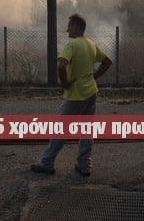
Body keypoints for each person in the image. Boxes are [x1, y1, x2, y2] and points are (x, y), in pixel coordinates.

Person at [30, 13, 112, 177]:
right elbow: (107, 62)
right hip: (91, 92)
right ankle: (84, 166)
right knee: (87, 131)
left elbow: (61, 66)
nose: (67, 28)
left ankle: (47, 163)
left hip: (76, 94)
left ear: (76, 27)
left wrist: (65, 83)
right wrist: (94, 77)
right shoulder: (90, 44)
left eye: (69, 25)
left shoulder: (71, 45)